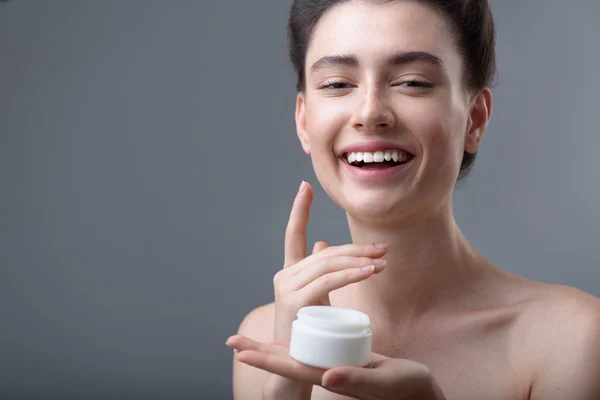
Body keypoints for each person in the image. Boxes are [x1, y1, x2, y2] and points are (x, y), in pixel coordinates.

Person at [226, 0, 600, 399]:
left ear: (475, 118)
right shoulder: (264, 338)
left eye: (413, 82)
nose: (370, 113)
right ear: (304, 121)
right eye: (337, 84)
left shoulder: (573, 340)